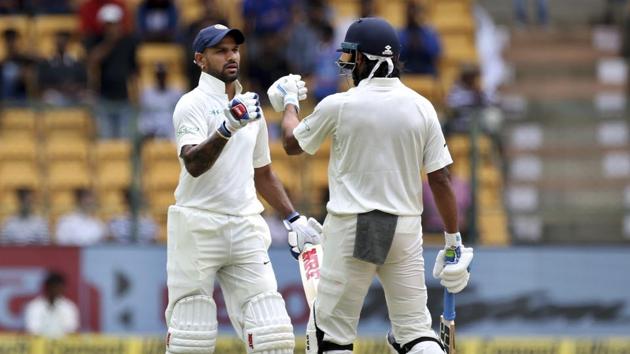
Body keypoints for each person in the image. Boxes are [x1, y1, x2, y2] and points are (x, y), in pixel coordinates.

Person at [268, 17, 474, 353]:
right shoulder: (422, 107)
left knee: (330, 336)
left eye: (351, 57)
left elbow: (291, 143)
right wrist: (453, 242)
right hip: (406, 229)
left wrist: (289, 102)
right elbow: (440, 178)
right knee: (415, 332)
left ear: (365, 60)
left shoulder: (341, 104)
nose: (348, 65)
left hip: (356, 225)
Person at [164, 24, 321, 354]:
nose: (231, 56)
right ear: (200, 60)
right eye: (220, 51)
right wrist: (225, 128)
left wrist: (293, 218)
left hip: (245, 224)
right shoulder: (189, 104)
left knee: (273, 334)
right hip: (198, 225)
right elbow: (192, 163)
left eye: (234, 49)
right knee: (191, 336)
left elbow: (263, 172)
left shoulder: (251, 107)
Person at [85, 3, 138, 139]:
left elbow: (133, 71)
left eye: (114, 24)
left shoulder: (128, 43)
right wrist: (109, 43)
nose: (112, 28)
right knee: (106, 140)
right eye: (109, 25)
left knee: (125, 141)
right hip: (104, 99)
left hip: (124, 99)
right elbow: (92, 61)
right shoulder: (95, 40)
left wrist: (136, 96)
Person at [37, 30, 88, 106]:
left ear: (68, 43)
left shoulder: (76, 62)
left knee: (89, 98)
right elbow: (42, 83)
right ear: (55, 43)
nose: (61, 43)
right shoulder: (46, 62)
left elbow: (84, 80)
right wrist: (61, 87)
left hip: (74, 93)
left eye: (64, 41)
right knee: (48, 98)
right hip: (55, 93)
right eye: (59, 41)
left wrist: (74, 87)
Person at [24, 271, 79, 338]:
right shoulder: (34, 306)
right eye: (54, 287)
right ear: (47, 287)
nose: (56, 290)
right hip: (39, 346)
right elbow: (33, 330)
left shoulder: (69, 307)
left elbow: (71, 330)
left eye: (59, 288)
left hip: (63, 345)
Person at [138, 63, 183, 140]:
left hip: (172, 133)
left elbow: (181, 116)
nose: (161, 78)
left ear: (166, 76)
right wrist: (147, 131)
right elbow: (143, 117)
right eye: (159, 75)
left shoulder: (176, 94)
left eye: (162, 75)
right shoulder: (147, 94)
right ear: (155, 76)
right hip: (153, 133)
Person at [398, 1, 442, 76]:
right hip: (406, 72)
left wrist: (421, 43)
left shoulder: (429, 32)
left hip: (427, 71)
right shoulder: (401, 33)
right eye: (411, 12)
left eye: (416, 12)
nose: (413, 16)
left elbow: (435, 52)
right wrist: (409, 44)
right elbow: (399, 55)